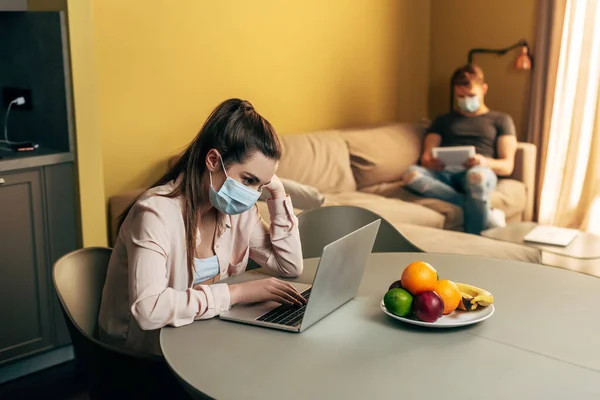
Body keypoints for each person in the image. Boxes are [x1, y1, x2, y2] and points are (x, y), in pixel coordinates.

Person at [98, 98, 306, 356]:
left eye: (260, 185)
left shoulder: (239, 212)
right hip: (147, 354)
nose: (252, 194)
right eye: (248, 180)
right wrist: (238, 293)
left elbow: (289, 265)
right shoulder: (155, 213)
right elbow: (149, 310)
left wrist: (277, 193)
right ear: (212, 160)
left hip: (203, 337)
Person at [403, 64, 517, 235]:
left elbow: (507, 166)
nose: (466, 101)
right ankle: (474, 204)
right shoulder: (443, 120)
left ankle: (474, 239)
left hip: (480, 171)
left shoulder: (501, 120)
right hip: (445, 174)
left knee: (476, 176)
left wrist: (483, 161)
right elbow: (426, 156)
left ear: (484, 89)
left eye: (471, 95)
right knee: (411, 175)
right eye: (461, 96)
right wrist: (430, 161)